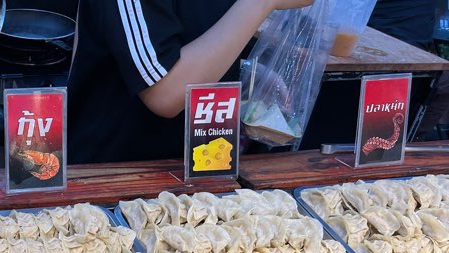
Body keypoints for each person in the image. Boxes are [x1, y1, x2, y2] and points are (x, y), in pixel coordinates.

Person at [68, 0, 315, 164]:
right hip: (117, 176)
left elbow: (197, 32)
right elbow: (164, 93)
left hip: (201, 168)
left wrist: (246, 71)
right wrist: (261, 2)